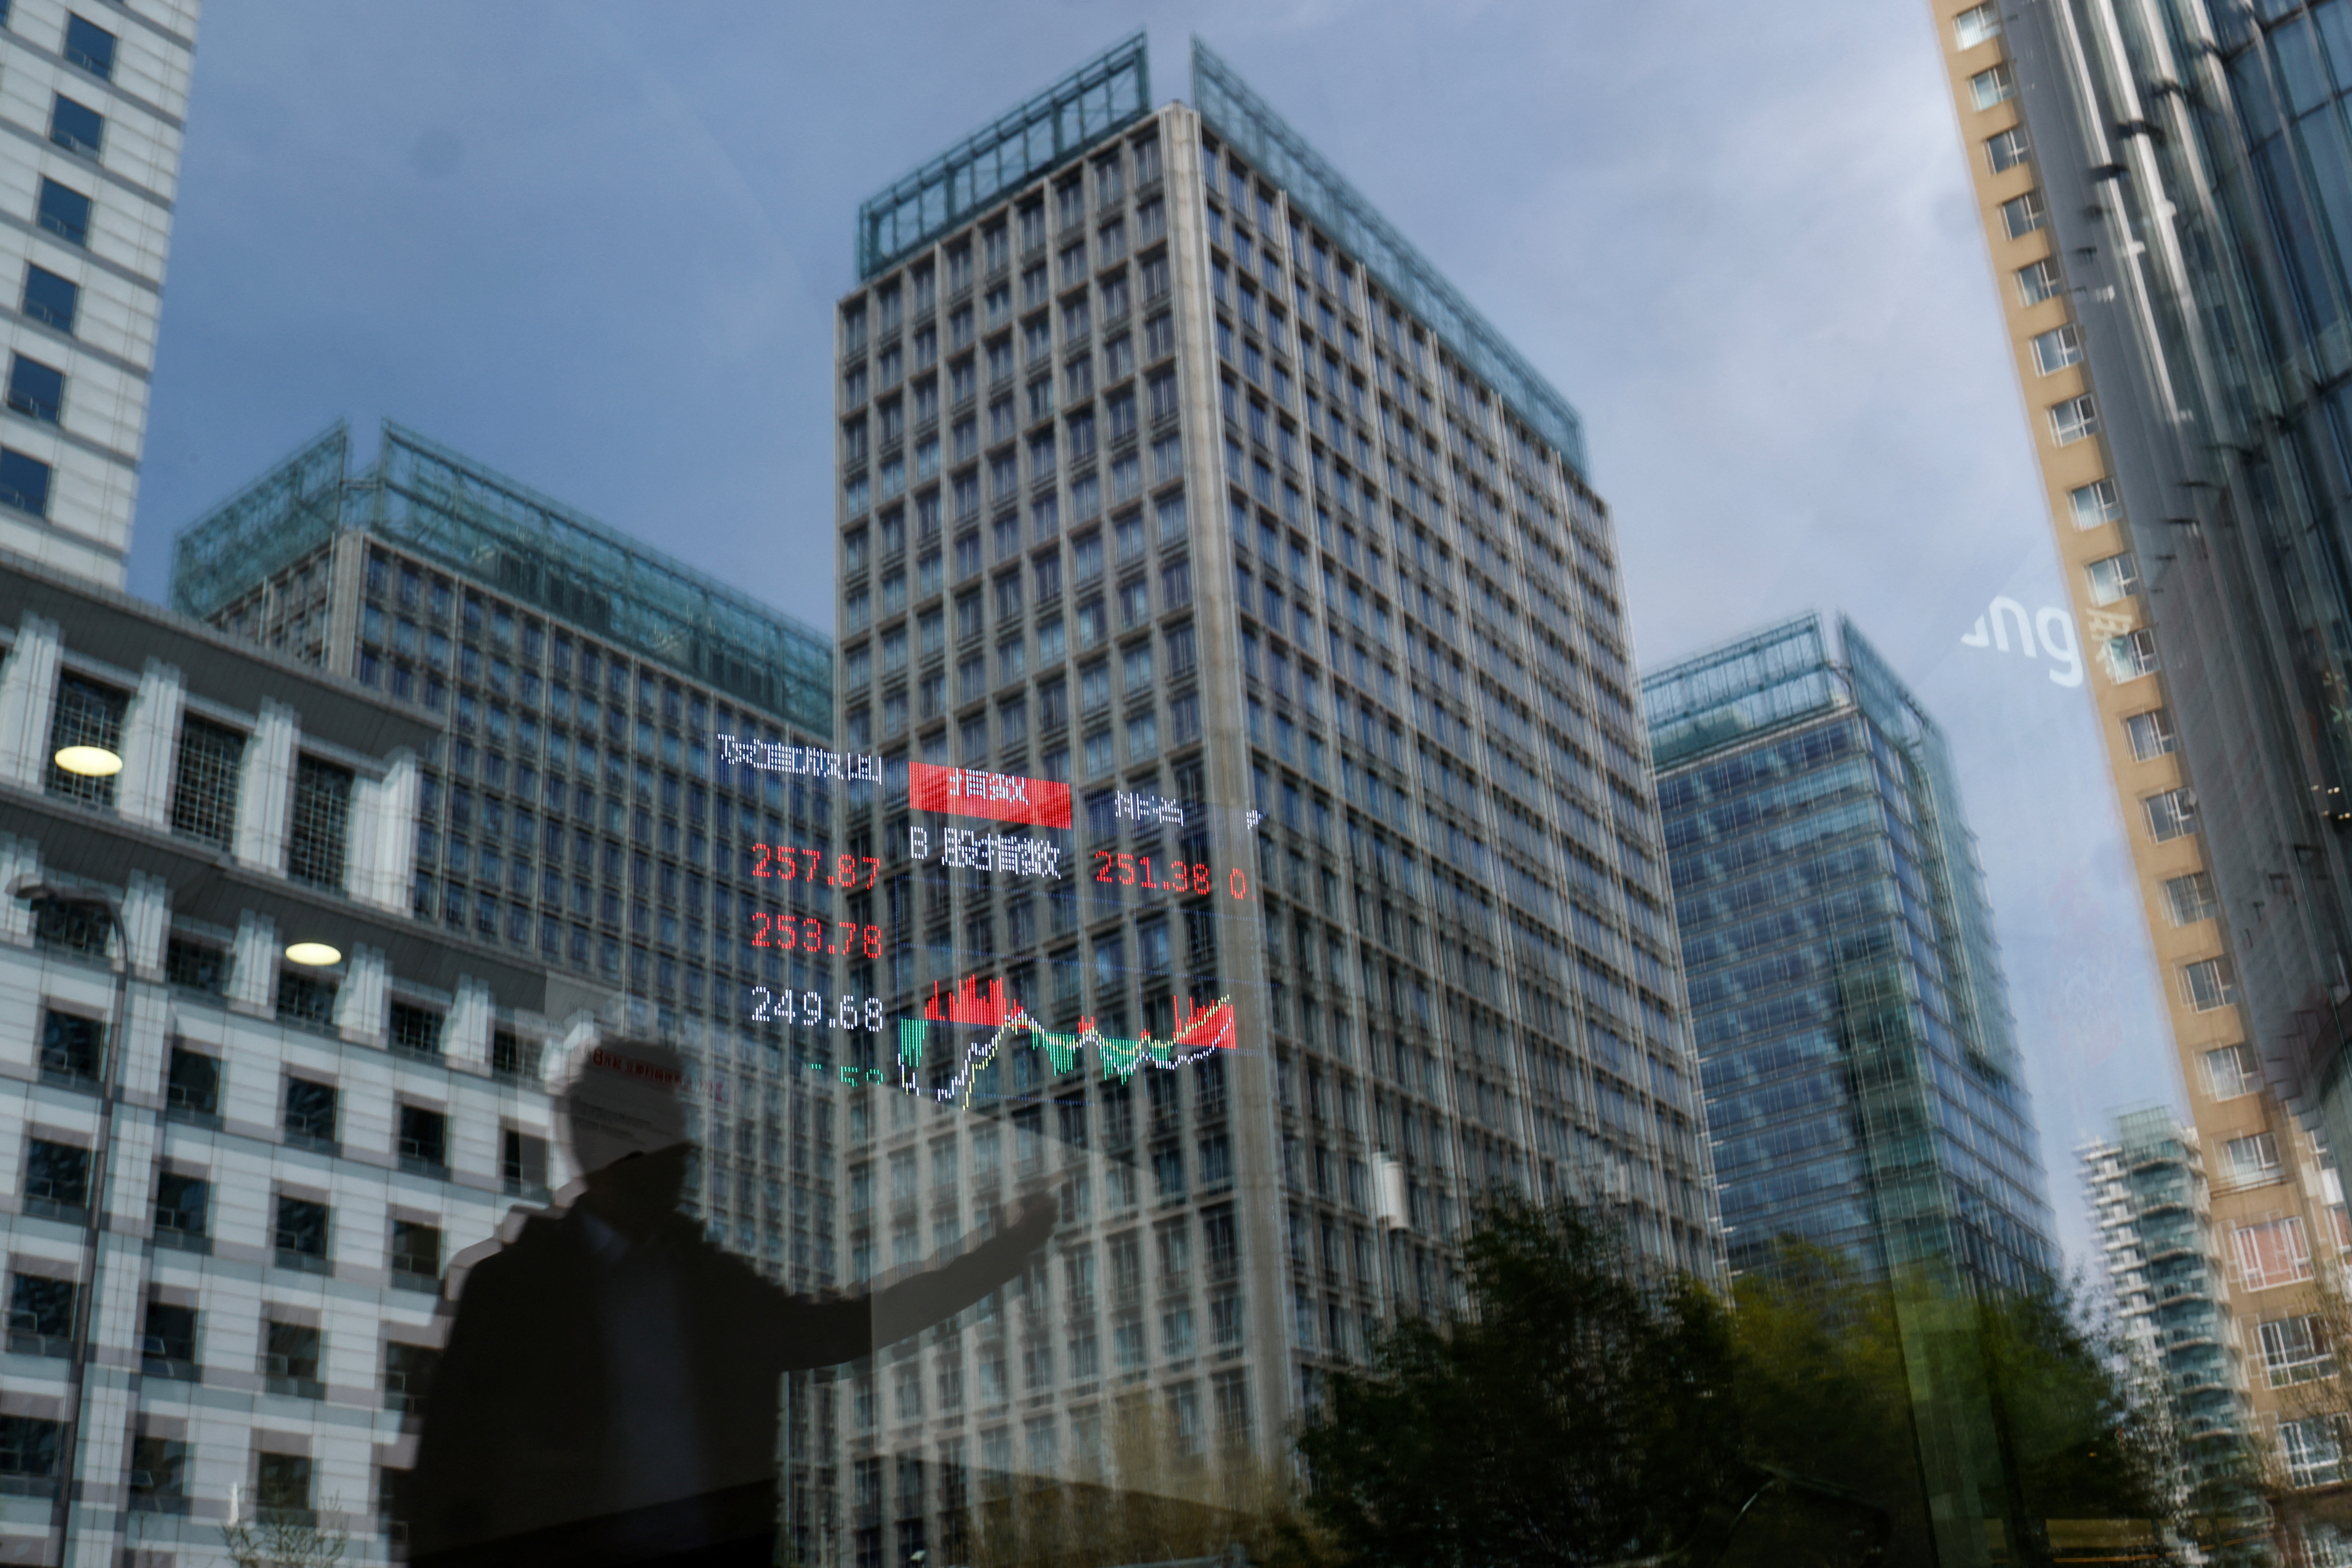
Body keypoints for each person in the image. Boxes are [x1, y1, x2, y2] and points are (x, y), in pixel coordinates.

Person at [407, 1036, 1056, 1567]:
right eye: (666, 1131)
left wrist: (998, 1260)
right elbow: (446, 1493)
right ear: (603, 1143)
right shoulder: (514, 1296)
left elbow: (842, 1329)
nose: (686, 1152)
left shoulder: (710, 1292)